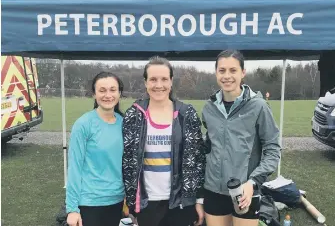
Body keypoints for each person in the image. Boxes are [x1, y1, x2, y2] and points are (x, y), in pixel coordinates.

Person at [122, 56, 206, 226]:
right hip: (146, 203)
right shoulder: (134, 114)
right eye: (153, 79)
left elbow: (198, 160)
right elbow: (127, 160)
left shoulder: (186, 113)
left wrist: (198, 200)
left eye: (164, 79)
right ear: (145, 82)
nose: (158, 85)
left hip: (180, 202)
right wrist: (130, 199)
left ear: (171, 81)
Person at [200, 50, 281, 226]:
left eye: (233, 70)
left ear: (243, 73)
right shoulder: (208, 108)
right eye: (222, 70)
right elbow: (209, 146)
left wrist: (253, 183)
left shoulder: (259, 106)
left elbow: (273, 149)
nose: (227, 76)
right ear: (216, 73)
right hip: (213, 190)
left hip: (245, 190)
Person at [66, 71, 125, 226]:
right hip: (89, 202)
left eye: (113, 90)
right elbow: (74, 168)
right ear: (94, 94)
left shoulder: (125, 123)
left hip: (116, 201)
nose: (108, 95)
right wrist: (72, 209)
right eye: (102, 90)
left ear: (119, 93)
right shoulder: (83, 125)